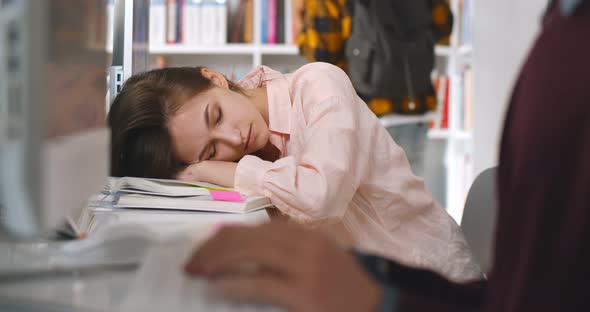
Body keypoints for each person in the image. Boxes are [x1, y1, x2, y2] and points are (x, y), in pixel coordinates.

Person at [183, 1, 590, 311]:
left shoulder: (567, 48)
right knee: (395, 195)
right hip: (411, 98)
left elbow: (319, 45)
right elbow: (442, 25)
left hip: (359, 95)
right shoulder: (561, 40)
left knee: (386, 205)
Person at [108, 62, 480, 281]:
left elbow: (320, 199)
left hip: (433, 283)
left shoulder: (318, 84)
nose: (233, 139)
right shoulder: (244, 155)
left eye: (216, 115)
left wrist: (211, 168)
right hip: (362, 286)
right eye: (211, 149)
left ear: (215, 78)